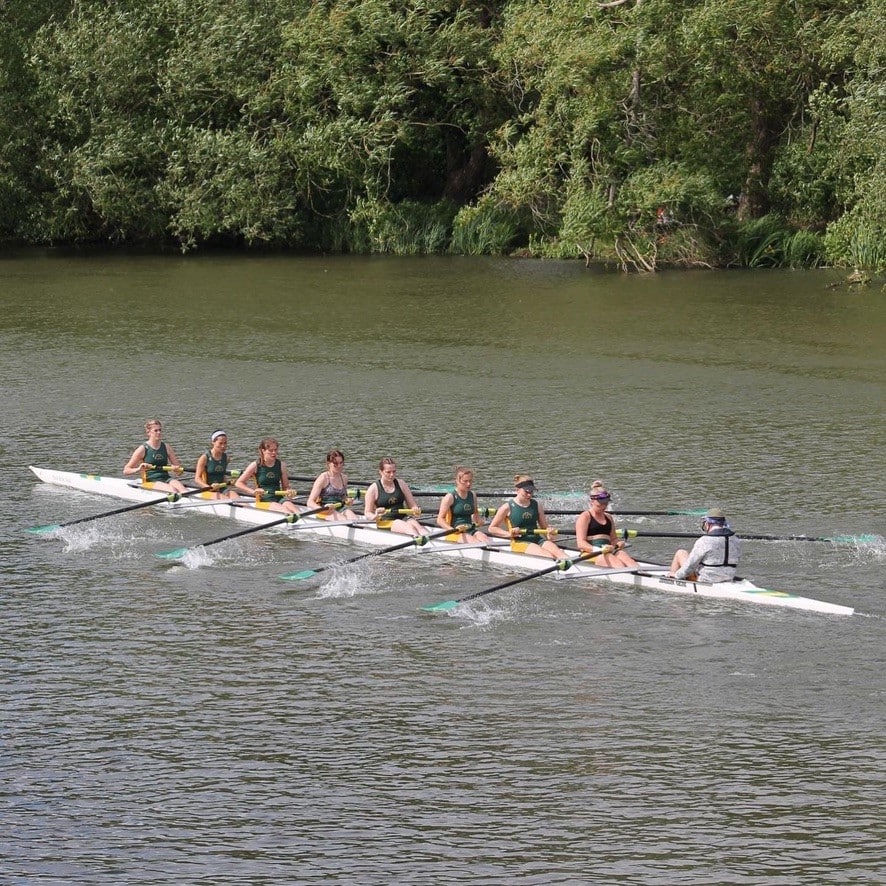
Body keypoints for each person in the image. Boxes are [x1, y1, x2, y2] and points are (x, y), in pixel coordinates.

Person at [488, 475, 568, 559]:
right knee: (548, 556)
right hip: (519, 542)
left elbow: (544, 528)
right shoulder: (507, 507)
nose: (529, 495)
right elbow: (492, 528)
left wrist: (549, 534)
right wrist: (509, 534)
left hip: (537, 539)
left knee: (560, 554)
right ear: (517, 490)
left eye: (531, 491)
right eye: (526, 492)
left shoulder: (537, 505)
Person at [668, 508, 742, 582]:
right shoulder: (736, 540)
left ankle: (671, 578)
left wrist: (677, 575)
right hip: (728, 578)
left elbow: (690, 567)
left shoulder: (704, 541)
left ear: (707, 523)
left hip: (705, 580)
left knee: (681, 553)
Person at [574, 484, 638, 568]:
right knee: (618, 565)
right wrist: (600, 550)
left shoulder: (609, 517)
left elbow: (613, 539)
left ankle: (643, 574)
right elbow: (581, 543)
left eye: (606, 503)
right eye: (600, 503)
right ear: (592, 502)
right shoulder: (584, 517)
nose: (604, 506)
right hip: (592, 553)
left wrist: (618, 543)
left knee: (629, 561)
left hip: (609, 550)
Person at [232, 437, 301, 514]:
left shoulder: (281, 465)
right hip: (263, 500)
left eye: (275, 450)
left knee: (297, 511)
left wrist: (289, 492)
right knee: (285, 511)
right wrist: (253, 492)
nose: (274, 453)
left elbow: (285, 487)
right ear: (263, 451)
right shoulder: (255, 465)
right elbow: (239, 483)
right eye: (271, 450)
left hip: (279, 498)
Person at [362, 457, 424, 536]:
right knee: (410, 529)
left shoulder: (401, 484)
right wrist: (375, 516)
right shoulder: (373, 489)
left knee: (421, 529)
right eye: (388, 472)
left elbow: (412, 505)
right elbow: (367, 513)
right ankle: (418, 542)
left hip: (403, 517)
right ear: (380, 472)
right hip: (385, 521)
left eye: (394, 471)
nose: (392, 475)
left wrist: (415, 510)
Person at [123, 418, 187, 493]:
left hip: (166, 478)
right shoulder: (142, 449)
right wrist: (138, 469)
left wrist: (176, 470)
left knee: (184, 490)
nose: (159, 432)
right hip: (151, 481)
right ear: (148, 433)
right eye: (156, 431)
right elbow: (126, 470)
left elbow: (179, 473)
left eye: (160, 430)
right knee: (173, 490)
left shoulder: (167, 447)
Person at [435, 467, 490, 543]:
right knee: (475, 542)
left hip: (470, 529)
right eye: (465, 481)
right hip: (454, 532)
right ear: (457, 481)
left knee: (486, 539)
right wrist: (452, 529)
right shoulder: (449, 497)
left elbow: (475, 515)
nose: (469, 484)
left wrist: (480, 520)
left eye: (470, 481)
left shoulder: (472, 495)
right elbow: (440, 520)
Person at [306, 449, 359, 520]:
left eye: (341, 463)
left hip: (341, 508)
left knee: (354, 518)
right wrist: (322, 509)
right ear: (329, 464)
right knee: (343, 519)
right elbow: (310, 502)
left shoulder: (344, 478)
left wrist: (348, 500)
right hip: (325, 510)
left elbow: (344, 498)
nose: (339, 466)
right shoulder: (323, 478)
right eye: (335, 463)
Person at [194, 429, 239, 499]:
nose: (223, 446)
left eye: (225, 443)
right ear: (213, 442)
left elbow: (222, 475)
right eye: (220, 443)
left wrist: (230, 482)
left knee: (235, 496)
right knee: (225, 499)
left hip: (222, 488)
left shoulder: (226, 458)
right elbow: (197, 479)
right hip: (209, 490)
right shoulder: (204, 458)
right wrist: (209, 487)